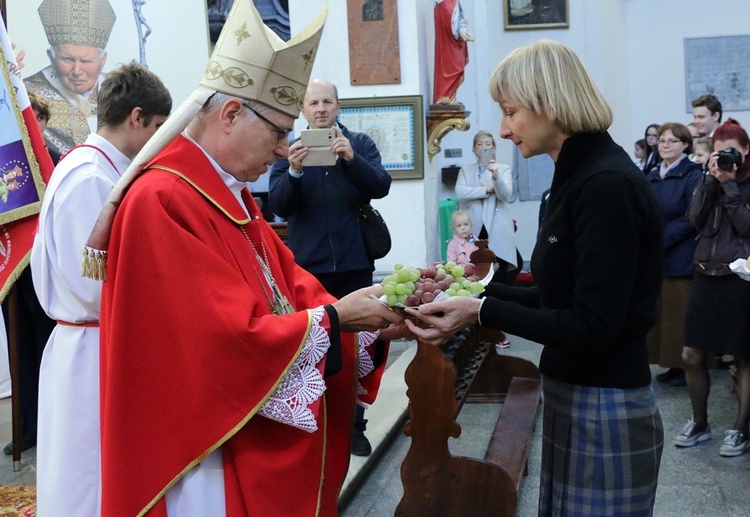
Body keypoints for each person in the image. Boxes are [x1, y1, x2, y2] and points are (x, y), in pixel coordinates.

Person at [84, 3, 404, 515]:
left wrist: (375, 319)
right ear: (231, 114)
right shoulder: (162, 200)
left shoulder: (226, 193)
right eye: (278, 133)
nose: (283, 150)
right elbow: (217, 344)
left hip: (233, 430)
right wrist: (336, 320)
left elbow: (289, 284)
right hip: (202, 450)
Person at [405, 40, 664, 516]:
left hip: (604, 402)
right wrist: (473, 288)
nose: (503, 131)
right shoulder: (575, 174)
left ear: (549, 102)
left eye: (510, 112)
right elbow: (559, 295)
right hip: (575, 391)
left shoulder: (606, 184)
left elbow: (592, 326)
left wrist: (480, 310)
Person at [30, 62, 172, 517]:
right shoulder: (91, 178)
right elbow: (92, 285)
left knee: (90, 468)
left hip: (93, 341)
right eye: (157, 128)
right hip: (91, 345)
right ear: (136, 118)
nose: (158, 140)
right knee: (86, 474)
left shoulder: (94, 168)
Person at [268, 78, 391, 457]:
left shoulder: (360, 144)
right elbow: (279, 206)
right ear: (303, 110)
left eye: (327, 102)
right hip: (309, 268)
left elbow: (381, 186)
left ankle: (355, 424)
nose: (320, 108)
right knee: (318, 344)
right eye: (313, 103)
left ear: (338, 107)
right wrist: (294, 171)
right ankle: (318, 420)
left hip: (355, 261)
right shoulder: (288, 149)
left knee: (361, 345)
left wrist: (351, 159)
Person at [676, 118, 750, 457]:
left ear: (746, 151)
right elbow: (692, 218)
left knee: (744, 356)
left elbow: (747, 229)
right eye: (719, 153)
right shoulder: (710, 179)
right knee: (690, 354)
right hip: (706, 272)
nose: (725, 159)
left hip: (741, 277)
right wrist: (709, 180)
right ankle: (700, 422)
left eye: (731, 152)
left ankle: (739, 429)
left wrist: (731, 188)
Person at [0, 91, 60, 457]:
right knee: (18, 349)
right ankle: (26, 426)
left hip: (41, 265)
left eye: (36, 116)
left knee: (45, 344)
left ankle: (51, 421)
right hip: (12, 269)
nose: (29, 122)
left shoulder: (48, 160)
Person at [645, 123, 703, 388]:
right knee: (662, 314)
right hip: (658, 256)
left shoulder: (692, 174)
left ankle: (683, 366)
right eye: (662, 141)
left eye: (671, 141)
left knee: (678, 314)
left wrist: (660, 239)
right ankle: (669, 363)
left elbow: (691, 216)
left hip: (680, 253)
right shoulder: (653, 173)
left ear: (685, 145)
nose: (665, 145)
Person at [23, 0, 116, 156]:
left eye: (86, 61)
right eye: (67, 59)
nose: (77, 71)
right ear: (51, 58)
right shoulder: (26, 95)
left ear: (103, 60)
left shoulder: (120, 93)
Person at [455, 129, 519, 284]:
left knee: (503, 260)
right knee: (476, 261)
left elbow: (506, 195)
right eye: (480, 144)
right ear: (474, 148)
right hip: (474, 221)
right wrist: (487, 190)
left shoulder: (502, 168)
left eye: (488, 144)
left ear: (494, 148)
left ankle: (502, 295)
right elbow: (461, 192)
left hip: (497, 221)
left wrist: (496, 177)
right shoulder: (466, 169)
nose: (484, 147)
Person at [433, 0, 474, 105]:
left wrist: (463, 26)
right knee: (449, 68)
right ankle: (444, 95)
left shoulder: (453, 2)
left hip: (454, 45)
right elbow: (450, 19)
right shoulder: (444, 4)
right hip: (448, 45)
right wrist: (460, 30)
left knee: (456, 68)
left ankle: (451, 96)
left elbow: (458, 17)